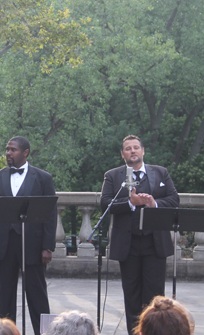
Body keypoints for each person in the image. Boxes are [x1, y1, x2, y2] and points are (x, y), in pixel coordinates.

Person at [101, 135, 179, 335]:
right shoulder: (113, 176)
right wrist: (130, 204)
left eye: (136, 147)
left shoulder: (160, 173)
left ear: (143, 151)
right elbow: (105, 204)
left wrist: (154, 204)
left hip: (155, 244)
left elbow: (174, 199)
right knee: (132, 297)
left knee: (155, 298)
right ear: (122, 154)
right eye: (128, 148)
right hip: (128, 245)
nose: (132, 151)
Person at [0, 136, 57, 334]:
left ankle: (44, 333)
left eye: (13, 150)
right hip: (4, 244)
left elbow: (50, 215)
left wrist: (47, 246)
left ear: (25, 153)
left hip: (33, 245)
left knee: (37, 294)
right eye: (7, 149)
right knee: (5, 295)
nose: (8, 153)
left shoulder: (43, 178)